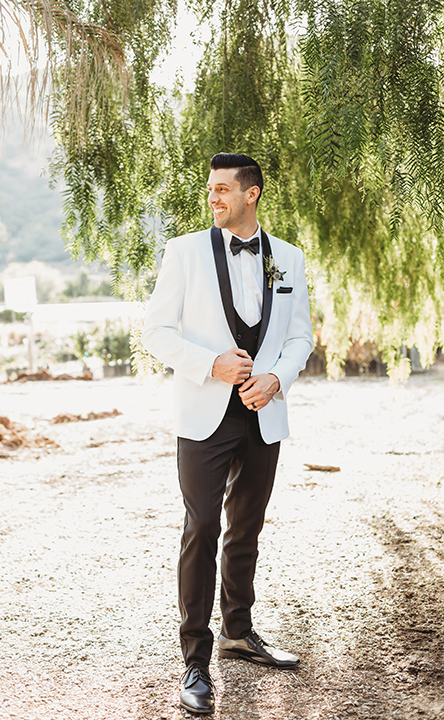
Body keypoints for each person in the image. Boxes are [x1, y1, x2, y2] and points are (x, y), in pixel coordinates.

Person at [142, 152, 314, 715]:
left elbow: (300, 338)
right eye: (210, 190)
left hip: (263, 411)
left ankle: (239, 632)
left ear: (252, 193)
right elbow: (156, 332)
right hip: (203, 413)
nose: (213, 198)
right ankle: (196, 658)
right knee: (202, 526)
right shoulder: (184, 251)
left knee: (247, 528)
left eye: (222, 190)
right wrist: (208, 364)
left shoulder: (287, 259)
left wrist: (275, 378)